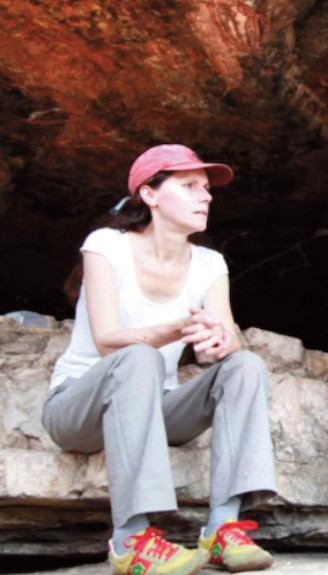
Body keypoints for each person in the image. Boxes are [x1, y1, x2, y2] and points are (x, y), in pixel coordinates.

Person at [43, 144, 278, 575]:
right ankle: (130, 540)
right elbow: (107, 341)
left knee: (246, 366)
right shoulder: (106, 246)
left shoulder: (210, 263)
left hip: (156, 407)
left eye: (206, 189)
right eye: (189, 186)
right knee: (139, 358)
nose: (205, 196)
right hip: (79, 407)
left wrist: (218, 344)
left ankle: (222, 528)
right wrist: (176, 329)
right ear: (149, 194)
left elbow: (232, 339)